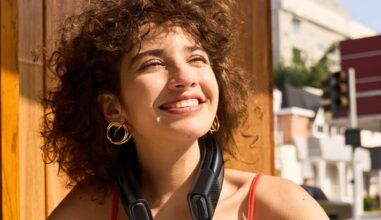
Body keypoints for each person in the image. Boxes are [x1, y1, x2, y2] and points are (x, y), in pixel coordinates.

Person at [42, 0, 328, 219]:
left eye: (197, 59)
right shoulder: (86, 210)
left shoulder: (280, 206)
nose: (185, 77)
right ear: (113, 107)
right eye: (153, 63)